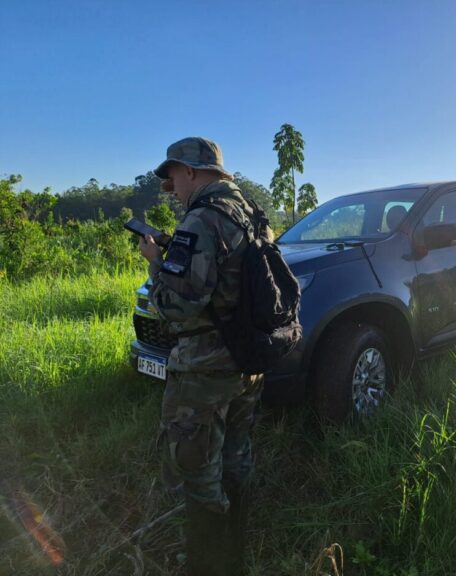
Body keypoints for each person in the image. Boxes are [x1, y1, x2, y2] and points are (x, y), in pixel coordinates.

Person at [138, 137, 264, 576]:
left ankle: (210, 566)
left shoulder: (201, 220)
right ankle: (236, 555)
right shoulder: (251, 216)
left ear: (191, 170)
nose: (171, 190)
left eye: (172, 178)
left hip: (205, 368)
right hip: (247, 362)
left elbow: (177, 306)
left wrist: (156, 263)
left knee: (197, 472)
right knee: (237, 457)